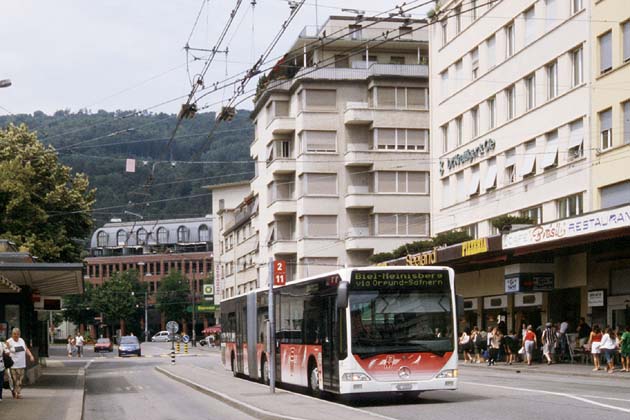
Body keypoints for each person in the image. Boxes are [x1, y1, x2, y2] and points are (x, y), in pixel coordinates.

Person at [6, 327, 35, 399]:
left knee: (20, 380)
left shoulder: (21, 340)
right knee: (15, 380)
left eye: (17, 334)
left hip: (22, 364)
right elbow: (5, 351)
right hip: (13, 364)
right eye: (14, 334)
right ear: (12, 334)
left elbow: (26, 349)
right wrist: (8, 351)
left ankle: (16, 392)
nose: (16, 335)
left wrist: (31, 356)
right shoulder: (9, 341)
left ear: (19, 334)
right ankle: (17, 393)